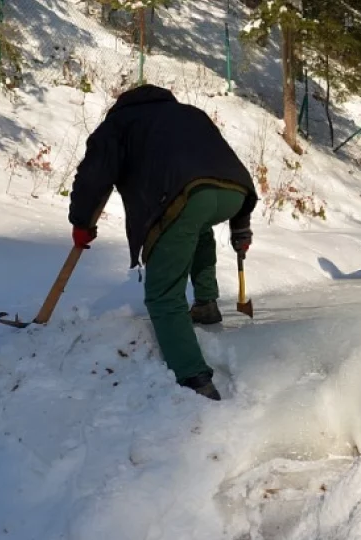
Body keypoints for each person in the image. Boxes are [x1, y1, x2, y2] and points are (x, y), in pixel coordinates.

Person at [68, 84, 258, 401]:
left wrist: (81, 223)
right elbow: (222, 167)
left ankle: (194, 378)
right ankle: (207, 303)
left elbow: (93, 176)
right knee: (195, 224)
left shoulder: (121, 122)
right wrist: (240, 229)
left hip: (182, 193)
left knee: (163, 294)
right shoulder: (190, 115)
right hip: (235, 193)